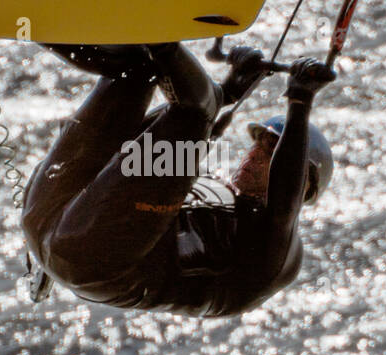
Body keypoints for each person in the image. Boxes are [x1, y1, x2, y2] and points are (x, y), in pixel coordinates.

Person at [21, 41, 334, 317]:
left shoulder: (278, 258)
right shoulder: (214, 188)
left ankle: (157, 32)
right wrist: (229, 92)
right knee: (137, 68)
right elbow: (140, 149)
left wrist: (300, 101)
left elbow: (282, 206)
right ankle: (36, 16)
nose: (253, 154)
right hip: (44, 216)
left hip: (91, 263)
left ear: (303, 186)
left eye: (270, 152)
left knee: (196, 112)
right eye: (258, 144)